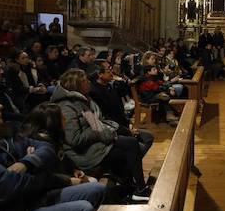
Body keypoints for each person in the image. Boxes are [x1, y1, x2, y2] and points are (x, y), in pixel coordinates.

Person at [51, 69, 152, 202]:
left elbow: (97, 123)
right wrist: (100, 130)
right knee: (130, 146)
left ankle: (134, 187)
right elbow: (74, 139)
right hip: (82, 153)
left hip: (95, 143)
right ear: (77, 84)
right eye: (85, 81)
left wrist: (107, 129)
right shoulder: (67, 106)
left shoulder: (82, 100)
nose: (89, 82)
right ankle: (137, 188)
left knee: (131, 144)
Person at [87, 61, 155, 156]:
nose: (112, 72)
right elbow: (105, 120)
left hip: (122, 126)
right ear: (100, 74)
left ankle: (129, 163)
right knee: (139, 145)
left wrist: (129, 124)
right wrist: (127, 131)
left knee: (148, 137)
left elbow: (120, 111)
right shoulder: (94, 93)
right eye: (108, 70)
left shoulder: (110, 86)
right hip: (113, 132)